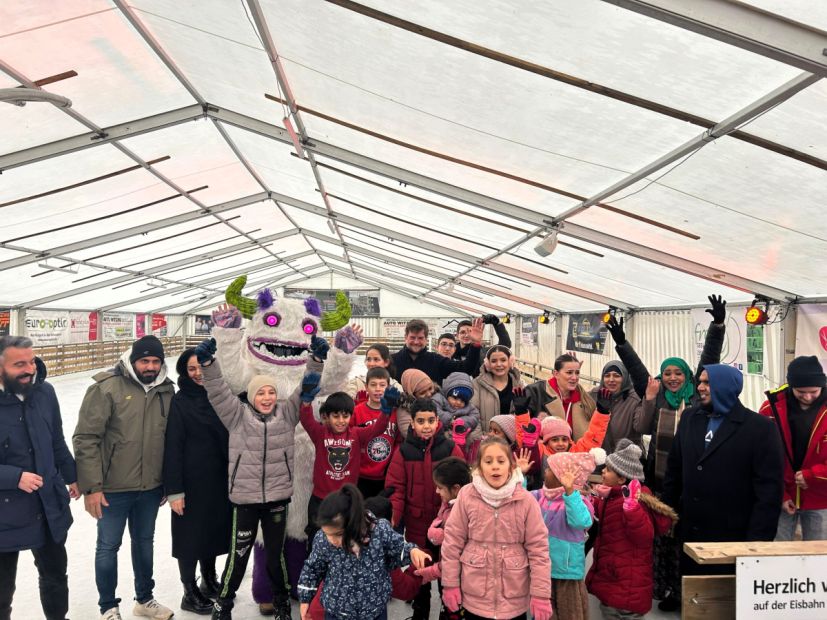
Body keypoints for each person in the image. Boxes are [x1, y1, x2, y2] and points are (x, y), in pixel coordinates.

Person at [605, 295, 726, 610]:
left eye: (678, 373)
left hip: (692, 483)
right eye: (668, 372)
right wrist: (620, 342)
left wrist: (717, 326)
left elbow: (709, 360)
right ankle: (668, 591)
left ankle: (691, 592)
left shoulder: (697, 398)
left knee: (687, 539)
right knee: (662, 539)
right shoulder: (656, 396)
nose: (673, 378)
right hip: (660, 481)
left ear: (688, 376)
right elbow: (635, 367)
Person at [195, 336, 324, 620]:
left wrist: (315, 360)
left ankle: (281, 605)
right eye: (260, 393)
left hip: (277, 500)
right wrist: (208, 364)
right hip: (246, 502)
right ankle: (224, 605)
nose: (266, 397)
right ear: (252, 396)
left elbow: (305, 387)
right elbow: (217, 391)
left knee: (276, 558)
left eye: (270, 392)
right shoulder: (237, 417)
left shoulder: (287, 415)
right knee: (238, 557)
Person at [74, 335, 176, 620]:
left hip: (151, 487)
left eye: (156, 361)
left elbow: (171, 440)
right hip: (113, 489)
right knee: (108, 546)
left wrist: (168, 481)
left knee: (144, 543)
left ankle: (144, 599)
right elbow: (86, 439)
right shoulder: (107, 388)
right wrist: (92, 487)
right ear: (133, 361)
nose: (150, 367)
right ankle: (108, 606)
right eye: (145, 360)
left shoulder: (167, 390)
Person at [662, 365, 784, 578]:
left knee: (726, 602)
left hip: (733, 537)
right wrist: (666, 514)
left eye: (707, 382)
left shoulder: (760, 428)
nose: (700, 387)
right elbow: (674, 470)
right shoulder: (690, 418)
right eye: (700, 381)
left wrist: (757, 543)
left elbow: (769, 492)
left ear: (727, 386)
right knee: (695, 600)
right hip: (691, 534)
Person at [0, 336, 78, 620]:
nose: (29, 369)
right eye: (19, 364)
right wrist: (14, 477)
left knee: (56, 575)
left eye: (31, 361)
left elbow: (56, 439)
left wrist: (73, 476)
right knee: (2, 589)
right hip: (5, 512)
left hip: (47, 504)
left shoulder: (45, 393)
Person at [440, 436, 552, 620]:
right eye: (488, 461)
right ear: (479, 467)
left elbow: (539, 550)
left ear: (511, 466)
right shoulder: (467, 496)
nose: (495, 466)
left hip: (513, 598)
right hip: (475, 597)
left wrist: (541, 595)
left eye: (501, 461)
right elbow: (452, 542)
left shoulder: (526, 501)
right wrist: (450, 584)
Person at [162, 349, 231, 614]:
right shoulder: (181, 402)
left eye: (201, 367)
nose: (198, 374)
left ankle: (209, 580)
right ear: (184, 372)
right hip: (190, 483)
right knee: (189, 538)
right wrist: (175, 490)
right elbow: (173, 446)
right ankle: (189, 591)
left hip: (216, 479)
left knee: (210, 532)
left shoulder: (218, 396)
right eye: (192, 369)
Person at [297, 484, 431, 620]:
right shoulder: (322, 540)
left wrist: (413, 551)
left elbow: (397, 546)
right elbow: (312, 569)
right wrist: (305, 599)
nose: (331, 540)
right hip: (337, 612)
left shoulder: (380, 531)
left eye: (337, 534)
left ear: (354, 524)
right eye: (327, 533)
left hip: (374, 611)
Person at [385, 399, 464, 620]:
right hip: (417, 525)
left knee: (447, 571)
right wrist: (392, 518)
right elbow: (396, 489)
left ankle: (448, 611)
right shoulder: (403, 452)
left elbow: (463, 482)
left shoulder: (450, 448)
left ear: (438, 421)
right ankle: (420, 612)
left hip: (448, 526)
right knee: (419, 572)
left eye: (430, 420)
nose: (426, 426)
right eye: (420, 421)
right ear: (412, 423)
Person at [587, 440, 676, 619]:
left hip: (626, 585)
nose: (603, 471)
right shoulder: (613, 497)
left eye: (608, 470)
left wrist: (632, 509)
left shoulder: (635, 503)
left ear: (622, 478)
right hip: (615, 579)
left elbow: (644, 536)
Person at [301, 385, 398, 544]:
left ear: (350, 416)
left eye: (345, 416)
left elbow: (377, 429)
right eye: (336, 416)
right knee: (316, 538)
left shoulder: (356, 434)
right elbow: (306, 420)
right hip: (320, 499)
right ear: (327, 416)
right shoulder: (320, 433)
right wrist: (306, 402)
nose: (340, 421)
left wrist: (386, 411)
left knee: (346, 539)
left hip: (347, 500)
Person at [760, 356, 827, 541]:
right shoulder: (770, 408)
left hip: (821, 497)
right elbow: (762, 456)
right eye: (800, 391)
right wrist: (781, 494)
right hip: (782, 493)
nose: (807, 397)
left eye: (813, 391)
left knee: (819, 556)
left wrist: (813, 476)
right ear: (790, 386)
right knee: (778, 554)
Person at [530, 452, 595, 620]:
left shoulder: (579, 500)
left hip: (567, 573)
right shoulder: (541, 496)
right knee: (546, 613)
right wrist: (520, 476)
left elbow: (582, 522)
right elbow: (521, 500)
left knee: (570, 613)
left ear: (562, 477)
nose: (545, 471)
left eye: (550, 469)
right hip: (543, 569)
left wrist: (570, 493)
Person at [414, 457, 472, 619]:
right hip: (448, 576)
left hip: (462, 585)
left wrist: (432, 571)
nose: (436, 491)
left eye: (440, 487)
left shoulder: (463, 514)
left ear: (456, 489)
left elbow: (457, 559)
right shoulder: (449, 503)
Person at [350, 367, 400, 498]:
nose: (378, 389)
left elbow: (399, 441)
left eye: (382, 385)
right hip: (360, 476)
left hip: (385, 476)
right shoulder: (357, 411)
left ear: (388, 387)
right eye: (373, 385)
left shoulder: (395, 413)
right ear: (366, 387)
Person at [525, 353, 596, 441]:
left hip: (577, 453)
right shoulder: (535, 392)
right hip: (545, 453)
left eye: (577, 373)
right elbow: (521, 426)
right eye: (569, 372)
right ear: (556, 374)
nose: (574, 377)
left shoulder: (584, 400)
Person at [391, 318, 484, 384]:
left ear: (426, 339)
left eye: (420, 338)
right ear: (405, 338)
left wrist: (475, 344)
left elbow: (466, 368)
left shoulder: (436, 361)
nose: (416, 342)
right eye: (412, 337)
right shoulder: (392, 361)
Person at [590, 360, 646, 454]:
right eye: (607, 375)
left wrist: (648, 401)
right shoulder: (594, 395)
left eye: (616, 375)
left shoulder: (634, 399)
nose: (611, 379)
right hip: (599, 456)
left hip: (626, 459)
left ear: (624, 378)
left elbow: (642, 427)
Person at [471, 346, 524, 433]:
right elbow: (473, 415)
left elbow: (522, 416)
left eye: (503, 360)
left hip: (511, 441)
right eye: (494, 361)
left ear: (510, 362)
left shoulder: (519, 385)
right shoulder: (477, 384)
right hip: (486, 440)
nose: (499, 364)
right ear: (488, 364)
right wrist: (481, 440)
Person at [433, 372, 480, 436]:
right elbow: (434, 408)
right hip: (441, 435)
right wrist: (449, 420)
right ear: (447, 393)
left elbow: (475, 416)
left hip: (460, 435)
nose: (458, 402)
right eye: (455, 398)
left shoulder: (469, 406)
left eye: (463, 400)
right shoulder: (440, 398)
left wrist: (461, 422)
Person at [395, 368, 436, 436]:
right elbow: (411, 435)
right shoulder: (404, 411)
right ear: (412, 395)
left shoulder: (438, 398)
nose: (429, 394)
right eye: (422, 392)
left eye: (430, 388)